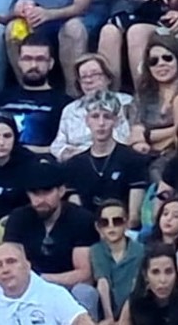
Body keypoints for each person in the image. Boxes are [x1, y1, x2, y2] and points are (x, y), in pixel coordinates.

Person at [3, 161, 100, 314]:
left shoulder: (81, 218)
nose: (40, 199)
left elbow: (84, 273)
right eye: (35, 193)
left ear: (61, 191)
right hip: (26, 287)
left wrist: (44, 279)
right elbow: (11, 262)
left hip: (67, 287)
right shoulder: (18, 218)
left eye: (46, 192)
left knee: (85, 292)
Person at [51, 92, 147, 225]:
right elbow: (78, 213)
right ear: (87, 121)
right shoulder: (74, 165)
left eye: (107, 117)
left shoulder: (133, 159)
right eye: (95, 117)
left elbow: (134, 217)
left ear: (116, 121)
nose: (101, 123)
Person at [0, 36, 69, 153]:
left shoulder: (64, 104)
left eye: (40, 59)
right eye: (27, 59)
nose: (33, 65)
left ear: (51, 63)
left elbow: (65, 148)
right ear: (19, 62)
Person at [88, 197, 142, 325]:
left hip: (134, 310)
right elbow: (103, 281)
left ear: (126, 223)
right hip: (109, 310)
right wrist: (109, 317)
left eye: (117, 221)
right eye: (104, 223)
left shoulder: (140, 250)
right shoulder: (96, 250)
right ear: (98, 227)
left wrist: (124, 319)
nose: (111, 227)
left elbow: (136, 285)